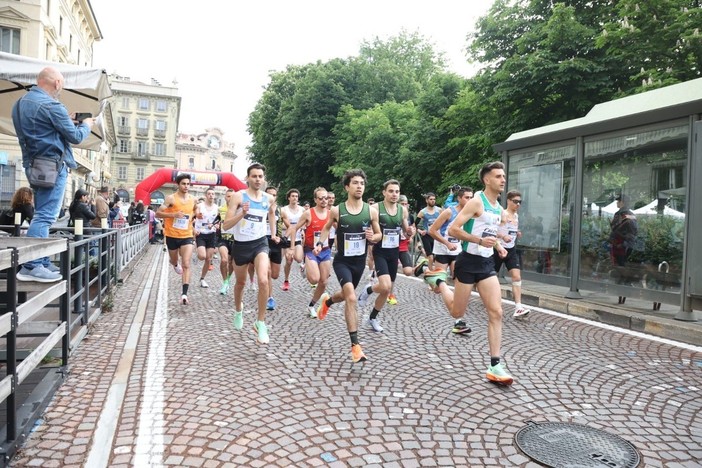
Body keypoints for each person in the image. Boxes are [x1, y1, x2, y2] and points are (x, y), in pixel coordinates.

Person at [12, 66, 95, 282]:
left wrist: (63, 120)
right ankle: (32, 265)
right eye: (62, 84)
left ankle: (41, 260)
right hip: (53, 166)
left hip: (34, 164)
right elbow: (76, 137)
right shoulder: (52, 105)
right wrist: (86, 125)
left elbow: (38, 132)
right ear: (57, 83)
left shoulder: (19, 104)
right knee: (45, 216)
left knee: (41, 213)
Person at [447, 161, 513, 386]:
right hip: (467, 262)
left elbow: (489, 233)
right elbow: (453, 229)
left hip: (486, 264)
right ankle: (440, 284)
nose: (503, 179)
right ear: (487, 179)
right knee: (457, 311)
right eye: (498, 176)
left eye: (503, 176)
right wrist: (478, 241)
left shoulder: (498, 207)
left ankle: (495, 365)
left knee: (496, 312)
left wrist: (498, 246)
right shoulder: (476, 201)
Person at [313, 169, 381, 363]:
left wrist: (373, 237)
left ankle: (327, 302)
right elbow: (326, 228)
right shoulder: (337, 210)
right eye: (355, 183)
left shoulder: (371, 211)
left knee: (344, 295)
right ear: (347, 187)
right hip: (342, 261)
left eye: (362, 183)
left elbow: (379, 235)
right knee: (351, 297)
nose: (359, 186)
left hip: (359, 262)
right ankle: (355, 347)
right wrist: (320, 243)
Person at [222, 163, 278, 344]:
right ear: (247, 178)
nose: (258, 179)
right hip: (241, 245)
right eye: (254, 176)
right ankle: (238, 311)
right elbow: (226, 225)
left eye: (260, 176)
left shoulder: (269, 198)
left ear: (264, 179)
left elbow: (271, 214)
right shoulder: (238, 196)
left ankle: (260, 322)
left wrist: (273, 233)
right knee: (240, 283)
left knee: (263, 279)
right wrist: (242, 214)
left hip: (260, 243)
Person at [356, 179, 412, 332]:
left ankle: (372, 316)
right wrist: (369, 239)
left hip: (394, 252)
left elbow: (405, 231)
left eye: (397, 191)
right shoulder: (375, 208)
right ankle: (368, 291)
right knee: (385, 286)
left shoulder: (402, 210)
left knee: (386, 290)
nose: (394, 194)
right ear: (384, 193)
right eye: (391, 191)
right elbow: (364, 226)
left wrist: (409, 232)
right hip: (380, 251)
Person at [428, 186, 473, 333]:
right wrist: (447, 243)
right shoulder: (449, 212)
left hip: (457, 252)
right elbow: (432, 230)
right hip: (442, 250)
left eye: (471, 197)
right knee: (436, 289)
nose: (470, 200)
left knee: (459, 282)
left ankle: (458, 321)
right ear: (459, 198)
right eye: (467, 197)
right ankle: (426, 270)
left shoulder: (470, 214)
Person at [290, 187, 333, 318]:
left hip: (325, 250)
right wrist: (292, 247)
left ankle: (311, 305)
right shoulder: (308, 213)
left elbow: (339, 229)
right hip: (310, 250)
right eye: (321, 198)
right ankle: (305, 268)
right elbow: (294, 229)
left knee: (324, 282)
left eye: (326, 198)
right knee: (314, 279)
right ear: (315, 200)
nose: (324, 200)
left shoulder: (331, 214)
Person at [156, 173, 197, 305]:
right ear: (178, 185)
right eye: (183, 184)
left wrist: (197, 215)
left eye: (188, 184)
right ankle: (174, 263)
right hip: (172, 235)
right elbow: (158, 213)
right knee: (174, 260)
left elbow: (195, 211)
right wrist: (173, 214)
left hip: (187, 235)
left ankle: (184, 294)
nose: (186, 186)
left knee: (186, 263)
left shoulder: (193, 199)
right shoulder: (171, 199)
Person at [494, 190, 529, 318]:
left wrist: (516, 232)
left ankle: (518, 307)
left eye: (520, 202)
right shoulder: (502, 213)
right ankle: (489, 298)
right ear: (508, 201)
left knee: (516, 277)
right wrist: (503, 236)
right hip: (498, 249)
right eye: (515, 201)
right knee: (489, 277)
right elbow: (492, 230)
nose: (518, 204)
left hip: (511, 250)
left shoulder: (516, 216)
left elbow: (510, 230)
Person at [609, 193, 638, 304]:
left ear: (623, 202)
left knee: (619, 268)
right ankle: (625, 290)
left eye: (618, 201)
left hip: (619, 245)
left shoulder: (620, 214)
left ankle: (622, 291)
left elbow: (614, 229)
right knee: (623, 266)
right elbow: (634, 231)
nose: (617, 203)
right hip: (628, 245)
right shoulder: (632, 214)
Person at [194, 187, 219, 288]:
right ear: (205, 195)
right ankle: (197, 254)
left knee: (208, 259)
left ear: (214, 196)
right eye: (209, 194)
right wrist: (197, 215)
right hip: (201, 233)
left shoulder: (217, 208)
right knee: (202, 256)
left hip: (211, 234)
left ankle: (202, 279)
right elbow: (194, 215)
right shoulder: (200, 206)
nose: (211, 195)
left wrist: (216, 225)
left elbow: (218, 220)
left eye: (212, 194)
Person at [264, 185, 284, 310]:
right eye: (269, 194)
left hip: (276, 242)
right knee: (267, 271)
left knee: (275, 275)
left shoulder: (281, 210)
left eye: (274, 195)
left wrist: (283, 237)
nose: (271, 197)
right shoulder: (260, 208)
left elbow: (291, 226)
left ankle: (266, 287)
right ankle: (269, 297)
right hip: (263, 241)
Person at [281, 188, 304, 291]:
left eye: (296, 196)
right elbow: (280, 224)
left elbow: (305, 222)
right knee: (289, 261)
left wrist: (301, 228)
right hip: (287, 238)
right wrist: (290, 227)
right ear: (289, 198)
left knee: (298, 258)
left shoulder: (302, 210)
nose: (295, 198)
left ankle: (302, 266)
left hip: (298, 238)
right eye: (293, 196)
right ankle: (286, 280)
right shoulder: (284, 210)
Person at [415, 192, 442, 271]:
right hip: (427, 236)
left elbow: (445, 222)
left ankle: (429, 268)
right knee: (430, 257)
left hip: (436, 236)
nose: (433, 201)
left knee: (436, 257)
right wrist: (420, 231)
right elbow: (414, 225)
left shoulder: (439, 210)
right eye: (431, 199)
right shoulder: (423, 212)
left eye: (434, 199)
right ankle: (430, 273)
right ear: (427, 200)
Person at [217, 189, 236, 295]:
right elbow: (216, 220)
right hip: (223, 238)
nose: (230, 198)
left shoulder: (239, 209)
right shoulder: (221, 209)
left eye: (232, 196)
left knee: (231, 262)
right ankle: (225, 282)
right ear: (225, 197)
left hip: (235, 239)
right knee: (224, 260)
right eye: (228, 196)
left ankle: (228, 278)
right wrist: (215, 225)